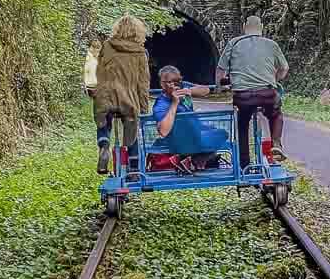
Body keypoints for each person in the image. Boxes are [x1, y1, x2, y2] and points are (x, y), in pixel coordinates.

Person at [217, 15, 288, 168]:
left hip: (243, 97)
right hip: (267, 95)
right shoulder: (272, 44)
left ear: (244, 27)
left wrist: (222, 86)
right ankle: (276, 143)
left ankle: (244, 164)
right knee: (275, 114)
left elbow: (221, 70)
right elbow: (284, 68)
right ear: (261, 27)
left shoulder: (233, 43)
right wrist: (274, 80)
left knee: (242, 123)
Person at [92, 16, 149, 174]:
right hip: (128, 99)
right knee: (131, 127)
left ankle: (104, 145)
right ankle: (133, 168)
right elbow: (143, 84)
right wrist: (144, 109)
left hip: (105, 96)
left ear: (117, 29)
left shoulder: (107, 46)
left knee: (104, 121)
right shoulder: (140, 52)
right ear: (138, 31)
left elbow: (99, 72)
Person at [151, 65, 228, 171]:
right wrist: (174, 103)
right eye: (170, 82)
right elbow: (163, 131)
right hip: (179, 141)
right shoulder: (161, 104)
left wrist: (190, 91)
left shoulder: (184, 86)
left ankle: (194, 159)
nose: (174, 85)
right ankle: (195, 159)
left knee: (222, 133)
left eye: (177, 81)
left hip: (197, 134)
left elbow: (206, 90)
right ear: (162, 84)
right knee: (193, 127)